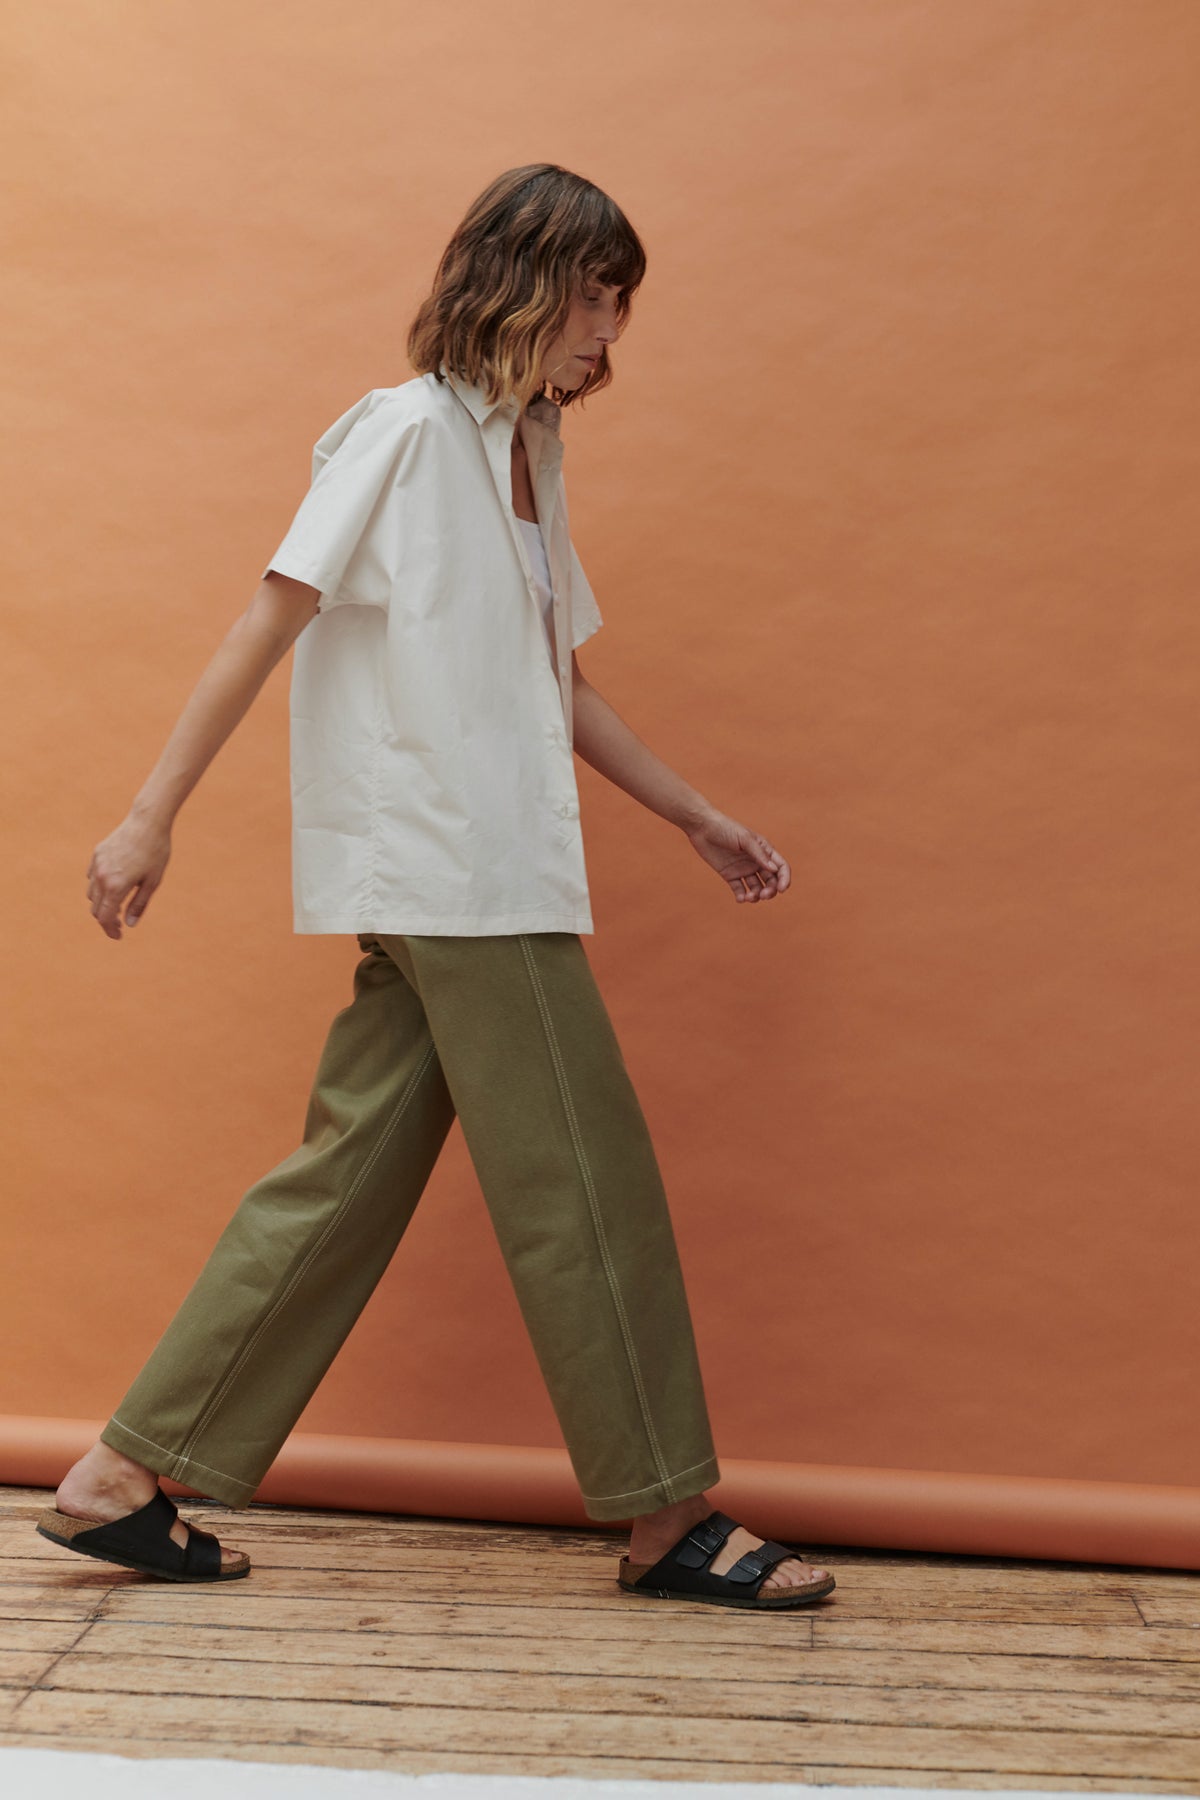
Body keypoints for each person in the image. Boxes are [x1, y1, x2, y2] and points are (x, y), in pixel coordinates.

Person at [38, 164, 835, 1611]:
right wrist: (150, 816)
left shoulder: (529, 456)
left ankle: (121, 1477)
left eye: (621, 304)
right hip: (460, 877)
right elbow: (268, 616)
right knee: (587, 1189)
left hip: (478, 872)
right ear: (526, 282)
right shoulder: (401, 436)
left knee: (340, 1182)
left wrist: (696, 818)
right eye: (600, 296)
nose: (611, 333)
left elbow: (559, 683)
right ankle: (669, 1519)